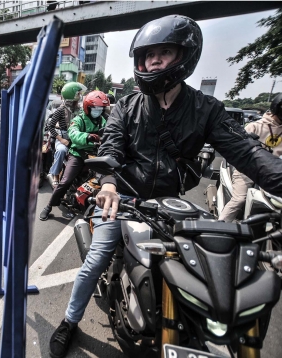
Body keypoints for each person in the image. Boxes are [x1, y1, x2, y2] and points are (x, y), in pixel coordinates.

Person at [48, 15, 282, 358]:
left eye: (165, 52)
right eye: (148, 54)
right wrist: (109, 184)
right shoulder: (126, 106)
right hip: (124, 197)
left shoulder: (207, 109)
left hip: (170, 204)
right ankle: (69, 321)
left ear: (184, 55)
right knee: (96, 259)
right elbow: (111, 146)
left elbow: (249, 154)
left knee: (213, 266)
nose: (153, 60)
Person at [39, 90, 110, 221]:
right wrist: (87, 137)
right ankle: (49, 206)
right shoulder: (79, 119)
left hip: (95, 154)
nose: (98, 111)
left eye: (101, 108)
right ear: (87, 107)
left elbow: (111, 133)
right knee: (66, 181)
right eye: (95, 108)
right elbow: (73, 133)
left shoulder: (103, 120)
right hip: (78, 153)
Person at [219, 93, 282, 222]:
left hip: (274, 173)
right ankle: (219, 227)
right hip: (247, 171)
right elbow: (240, 148)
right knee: (239, 199)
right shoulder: (255, 126)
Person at [46, 82, 86, 187]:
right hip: (63, 138)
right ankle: (55, 175)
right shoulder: (60, 110)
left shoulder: (81, 110)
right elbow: (50, 126)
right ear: (71, 95)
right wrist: (61, 139)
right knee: (61, 151)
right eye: (78, 94)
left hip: (77, 139)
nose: (79, 96)